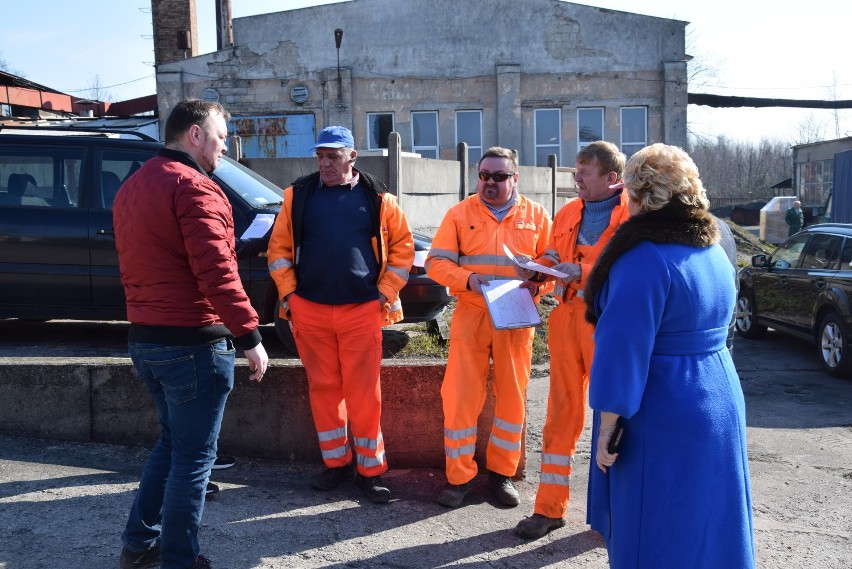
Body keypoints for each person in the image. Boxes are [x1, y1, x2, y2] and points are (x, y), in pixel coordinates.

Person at [113, 98, 268, 569]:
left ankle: (138, 545)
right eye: (221, 137)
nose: (225, 148)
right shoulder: (196, 188)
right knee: (193, 459)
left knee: (172, 444)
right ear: (195, 135)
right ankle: (180, 559)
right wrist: (250, 337)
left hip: (146, 338)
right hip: (192, 344)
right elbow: (218, 274)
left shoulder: (133, 185)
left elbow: (163, 260)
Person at [584, 143, 755, 568]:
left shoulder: (644, 258)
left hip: (664, 406)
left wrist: (608, 425)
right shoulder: (713, 248)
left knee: (655, 528)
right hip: (719, 396)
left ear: (638, 196)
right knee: (712, 523)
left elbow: (623, 348)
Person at [267, 125, 414, 504]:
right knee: (324, 391)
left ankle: (371, 471)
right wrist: (291, 296)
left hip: (362, 311)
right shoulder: (297, 196)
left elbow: (402, 250)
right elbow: (278, 250)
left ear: (353, 157)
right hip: (310, 311)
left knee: (365, 394)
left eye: (333, 156)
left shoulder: (379, 198)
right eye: (320, 156)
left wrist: (383, 295)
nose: (325, 163)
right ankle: (337, 465)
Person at [513, 140, 630, 539]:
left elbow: (635, 267)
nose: (575, 177)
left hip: (608, 322)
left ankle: (618, 514)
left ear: (612, 179)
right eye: (575, 169)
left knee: (615, 417)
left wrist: (583, 272)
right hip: (565, 319)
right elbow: (550, 254)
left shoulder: (633, 216)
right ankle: (548, 508)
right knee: (560, 416)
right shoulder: (567, 212)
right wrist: (535, 271)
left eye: (585, 171)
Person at [426, 146, 552, 509]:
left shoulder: (537, 215)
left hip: (516, 314)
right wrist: (469, 280)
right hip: (472, 311)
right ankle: (459, 477)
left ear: (515, 179)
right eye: (484, 176)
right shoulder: (460, 212)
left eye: (499, 176)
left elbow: (553, 260)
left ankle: (501, 476)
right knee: (460, 395)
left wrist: (538, 282)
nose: (490, 183)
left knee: (511, 395)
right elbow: (436, 262)